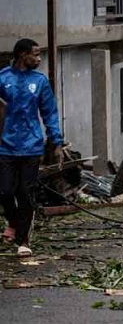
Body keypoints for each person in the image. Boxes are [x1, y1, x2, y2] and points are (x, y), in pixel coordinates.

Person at [0, 39, 64, 258]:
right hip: (5, 146)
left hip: (31, 146)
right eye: (35, 55)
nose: (38, 59)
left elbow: (50, 112)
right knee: (5, 191)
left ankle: (23, 240)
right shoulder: (3, 78)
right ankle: (14, 223)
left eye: (40, 55)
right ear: (22, 55)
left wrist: (55, 140)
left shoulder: (39, 81)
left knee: (25, 193)